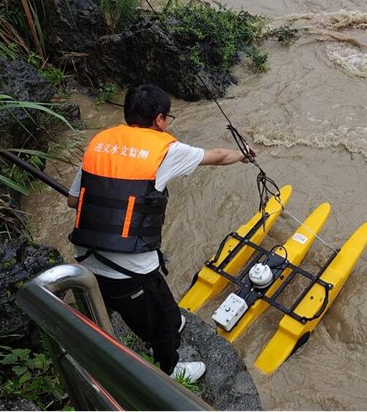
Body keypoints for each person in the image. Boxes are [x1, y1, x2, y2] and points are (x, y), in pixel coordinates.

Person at [66, 83, 255, 383]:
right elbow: (218, 156)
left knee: (153, 306)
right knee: (166, 324)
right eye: (168, 118)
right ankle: (171, 369)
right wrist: (244, 154)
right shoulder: (165, 149)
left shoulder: (99, 144)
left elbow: (73, 201)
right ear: (159, 120)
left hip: (85, 259)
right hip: (129, 270)